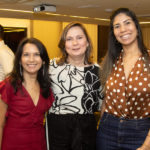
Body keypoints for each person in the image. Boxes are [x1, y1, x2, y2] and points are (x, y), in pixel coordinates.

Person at [96, 8, 150, 150]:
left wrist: (146, 145)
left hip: (141, 132)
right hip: (107, 130)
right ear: (114, 34)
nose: (123, 29)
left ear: (137, 28)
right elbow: (107, 99)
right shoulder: (110, 61)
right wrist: (101, 124)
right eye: (117, 26)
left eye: (127, 23)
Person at [46, 22, 103, 150]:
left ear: (87, 42)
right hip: (57, 129)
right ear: (64, 44)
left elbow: (102, 105)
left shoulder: (98, 71)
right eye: (69, 39)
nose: (75, 43)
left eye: (79, 38)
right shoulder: (51, 67)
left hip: (86, 130)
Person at [0, 37, 54, 150]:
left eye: (36, 54)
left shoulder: (46, 88)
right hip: (11, 145)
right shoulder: (9, 85)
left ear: (43, 60)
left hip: (38, 144)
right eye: (26, 55)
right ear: (19, 59)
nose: (31, 59)